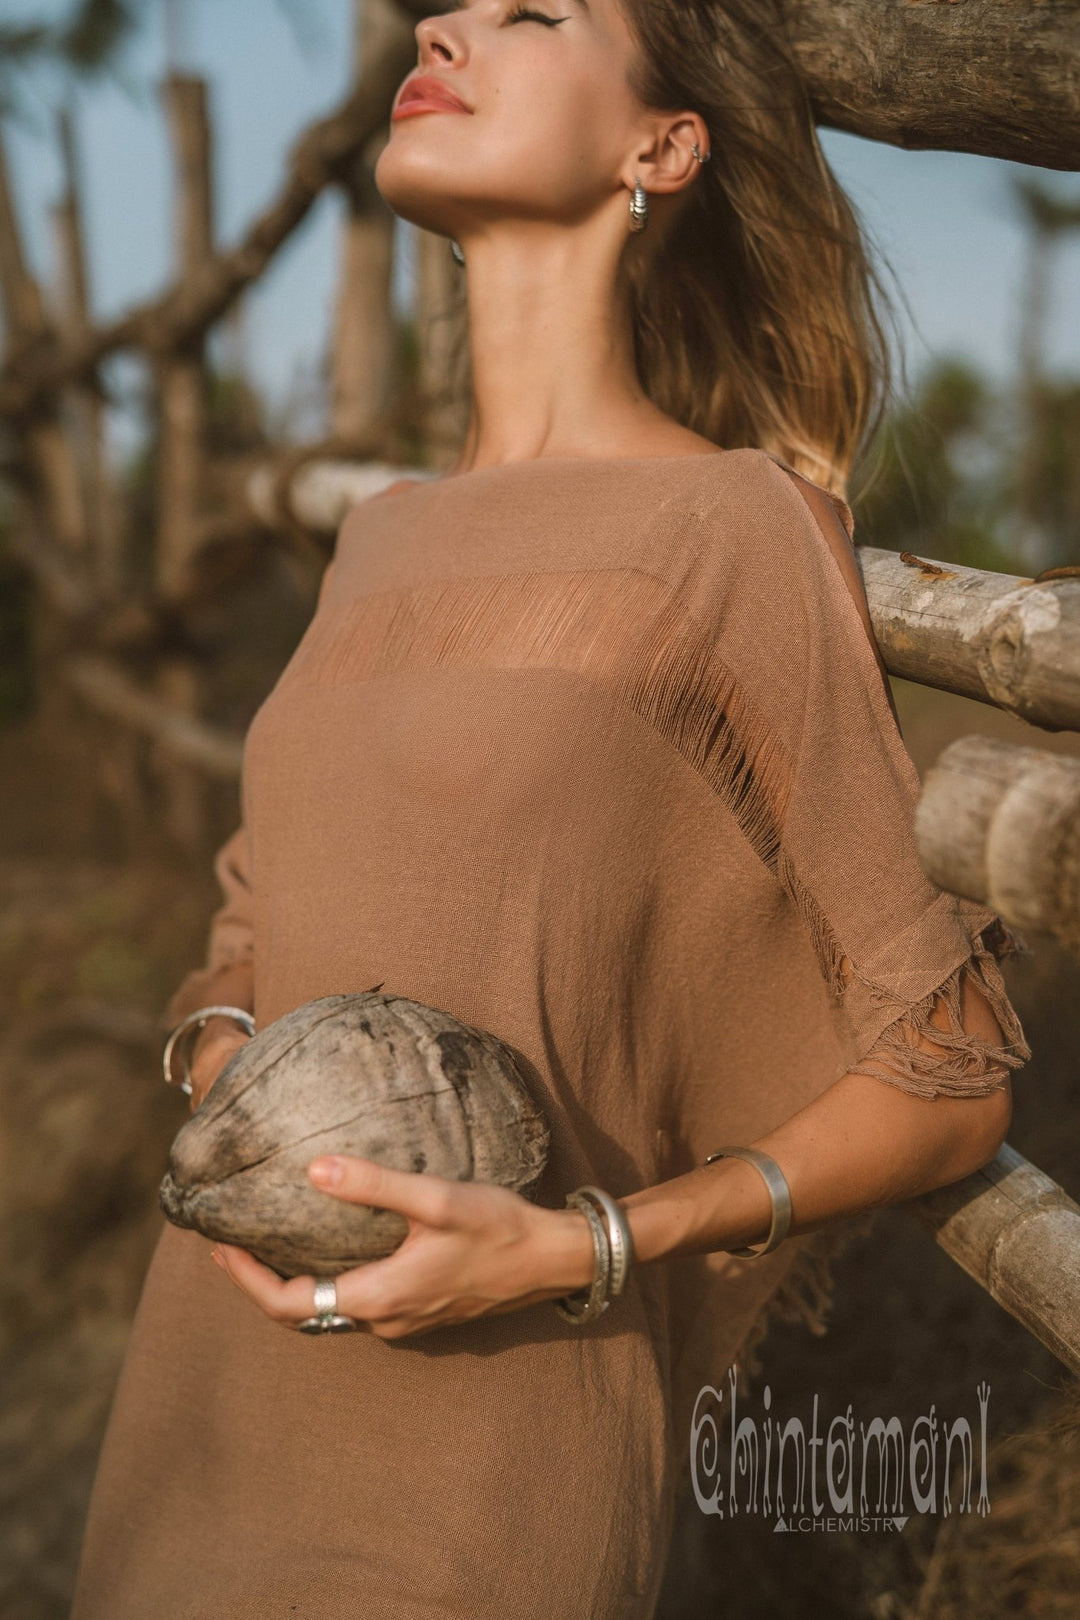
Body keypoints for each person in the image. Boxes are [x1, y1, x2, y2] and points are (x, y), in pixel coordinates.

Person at [70, 2, 1032, 1616]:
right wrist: (242, 1078)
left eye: (532, 12)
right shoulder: (378, 533)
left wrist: (583, 1246)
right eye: (454, 4)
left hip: (488, 1451)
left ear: (660, 149)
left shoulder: (731, 531)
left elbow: (948, 1074)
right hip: (201, 1409)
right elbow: (249, 925)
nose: (442, 20)